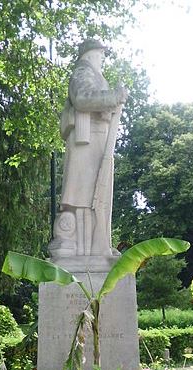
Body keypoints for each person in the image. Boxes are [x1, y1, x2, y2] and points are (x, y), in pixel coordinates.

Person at [51, 39, 128, 260]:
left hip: (97, 138)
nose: (103, 57)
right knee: (85, 194)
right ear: (90, 54)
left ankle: (98, 247)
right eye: (100, 53)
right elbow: (82, 99)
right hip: (88, 140)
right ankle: (82, 246)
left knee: (99, 194)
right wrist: (113, 96)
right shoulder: (83, 71)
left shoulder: (95, 74)